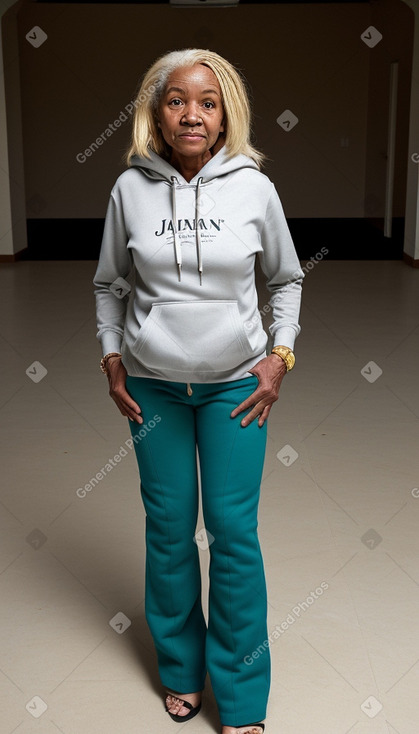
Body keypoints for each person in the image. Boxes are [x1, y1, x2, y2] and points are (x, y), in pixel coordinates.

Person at [93, 48, 304, 734]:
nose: (192, 113)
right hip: (153, 389)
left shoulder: (253, 188)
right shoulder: (130, 189)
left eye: (207, 102)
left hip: (235, 389)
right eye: (177, 99)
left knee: (233, 535)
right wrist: (111, 354)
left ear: (224, 116)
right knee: (169, 532)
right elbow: (108, 284)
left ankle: (241, 701)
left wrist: (279, 357)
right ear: (156, 112)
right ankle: (181, 673)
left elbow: (287, 278)